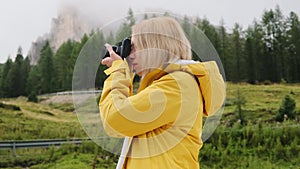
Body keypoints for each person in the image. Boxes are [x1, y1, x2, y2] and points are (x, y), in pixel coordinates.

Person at [99, 16, 225, 169]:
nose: (130, 55)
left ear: (155, 46)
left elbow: (116, 119)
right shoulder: (170, 84)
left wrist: (118, 71)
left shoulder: (177, 86)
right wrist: (125, 71)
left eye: (135, 47)